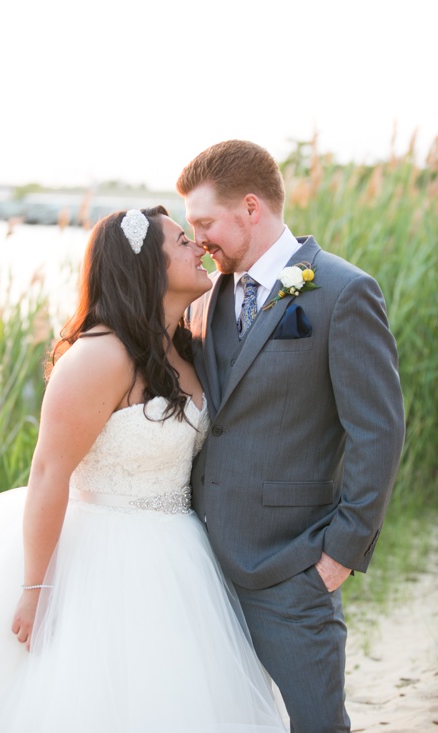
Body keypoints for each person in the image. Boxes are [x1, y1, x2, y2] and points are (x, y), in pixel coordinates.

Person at [0, 207, 287, 732]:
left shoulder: (185, 350)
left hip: (180, 554)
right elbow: (48, 473)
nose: (198, 247)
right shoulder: (98, 357)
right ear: (147, 266)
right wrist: (35, 589)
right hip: (102, 556)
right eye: (181, 241)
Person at [177, 139, 405, 732]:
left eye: (204, 222)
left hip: (292, 567)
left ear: (250, 208)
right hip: (200, 566)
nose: (197, 238)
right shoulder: (206, 298)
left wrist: (339, 556)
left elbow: (377, 433)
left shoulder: (343, 292)